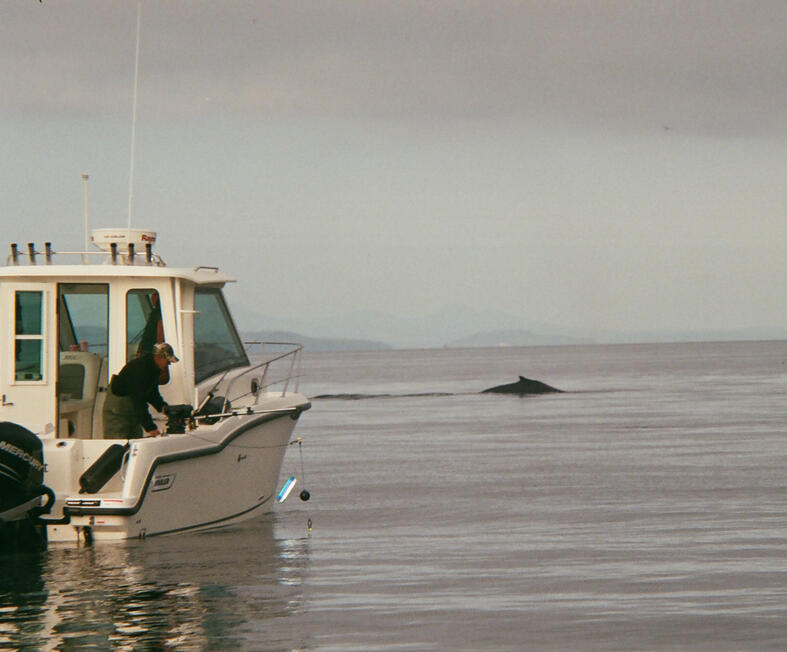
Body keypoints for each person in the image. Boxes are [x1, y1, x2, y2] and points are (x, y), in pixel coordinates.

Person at [102, 342, 179, 439]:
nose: (169, 364)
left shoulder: (153, 369)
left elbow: (152, 393)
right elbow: (138, 400)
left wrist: (163, 407)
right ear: (159, 357)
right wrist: (150, 428)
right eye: (167, 361)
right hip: (118, 412)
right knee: (117, 445)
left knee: (135, 441)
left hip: (131, 412)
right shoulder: (139, 369)